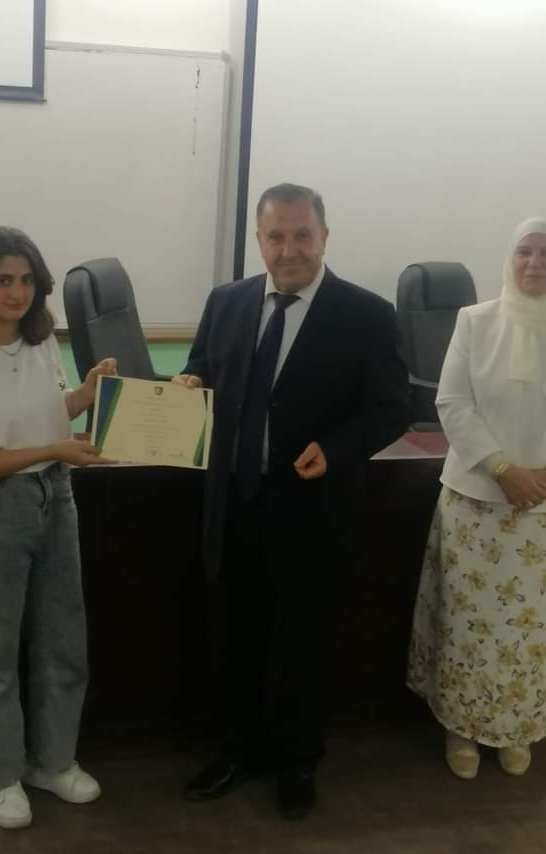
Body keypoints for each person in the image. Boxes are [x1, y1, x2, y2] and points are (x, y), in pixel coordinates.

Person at [174, 183, 411, 818]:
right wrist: (190, 383)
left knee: (305, 646)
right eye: (276, 236)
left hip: (314, 514)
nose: (289, 249)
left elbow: (392, 407)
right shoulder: (226, 302)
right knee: (235, 641)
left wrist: (337, 448)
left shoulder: (366, 314)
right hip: (234, 504)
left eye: (302, 235)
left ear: (324, 237)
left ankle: (298, 763)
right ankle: (236, 751)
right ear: (259, 240)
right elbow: (203, 369)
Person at [407, 217, 546, 779]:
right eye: (524, 251)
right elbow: (453, 403)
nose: (534, 263)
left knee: (534, 631)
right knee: (471, 626)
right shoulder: (475, 321)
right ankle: (460, 727)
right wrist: (503, 469)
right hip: (477, 504)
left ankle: (520, 728)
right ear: (510, 258)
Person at [0, 227, 115, 828]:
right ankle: (3, 776)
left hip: (55, 498)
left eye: (27, 280)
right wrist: (55, 448)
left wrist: (86, 394)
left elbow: (46, 416)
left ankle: (53, 762)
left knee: (63, 641)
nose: (17, 292)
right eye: (3, 280)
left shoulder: (40, 344)